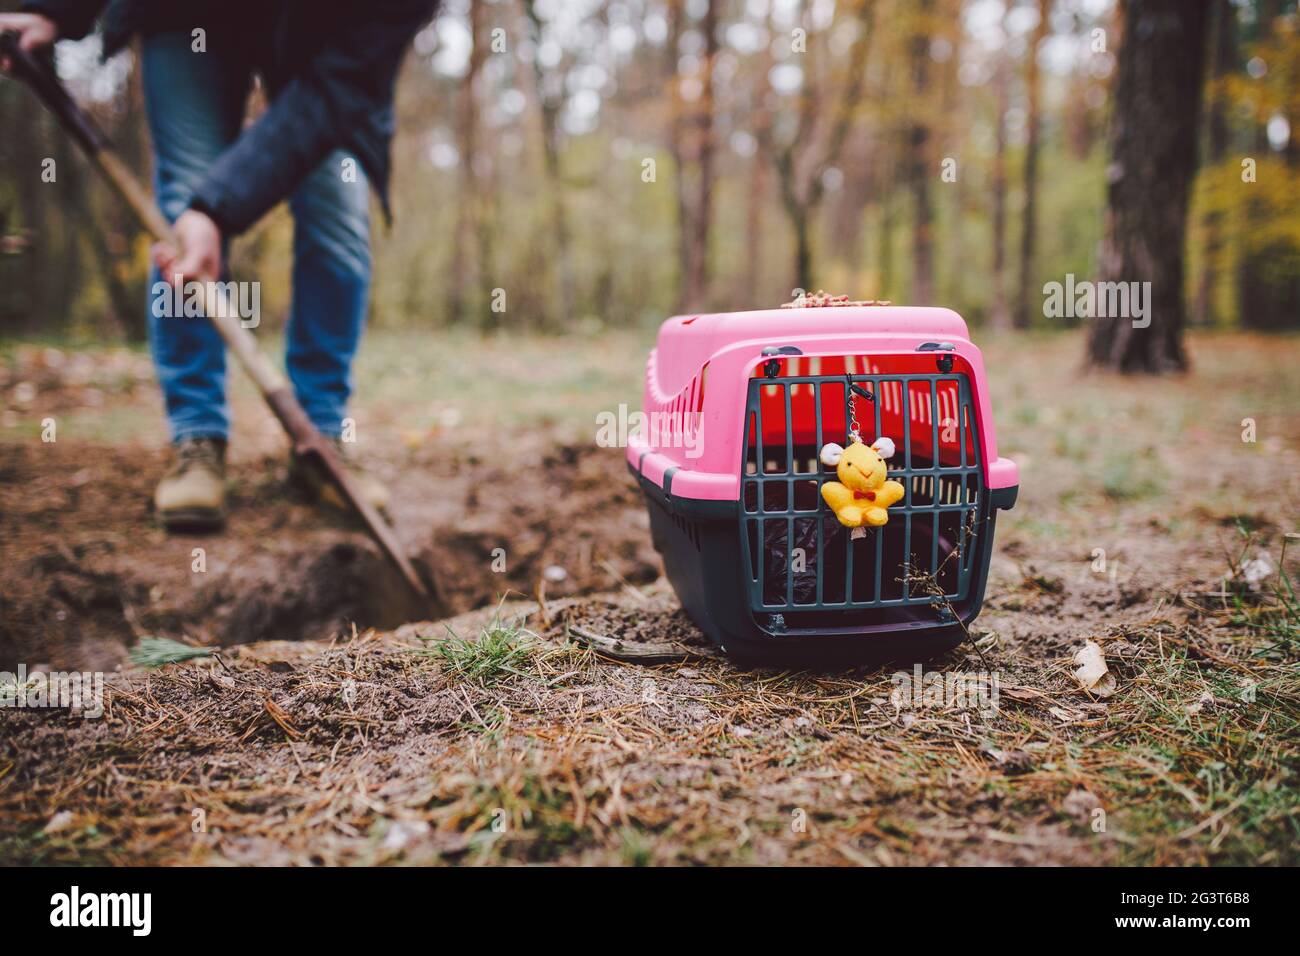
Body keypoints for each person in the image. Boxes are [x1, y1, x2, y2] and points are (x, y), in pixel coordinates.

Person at [0, 0, 439, 531]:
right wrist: (57, 10)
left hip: (326, 38)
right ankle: (197, 436)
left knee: (338, 212)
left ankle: (320, 439)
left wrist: (220, 207)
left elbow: (340, 87)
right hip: (186, 14)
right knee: (182, 216)